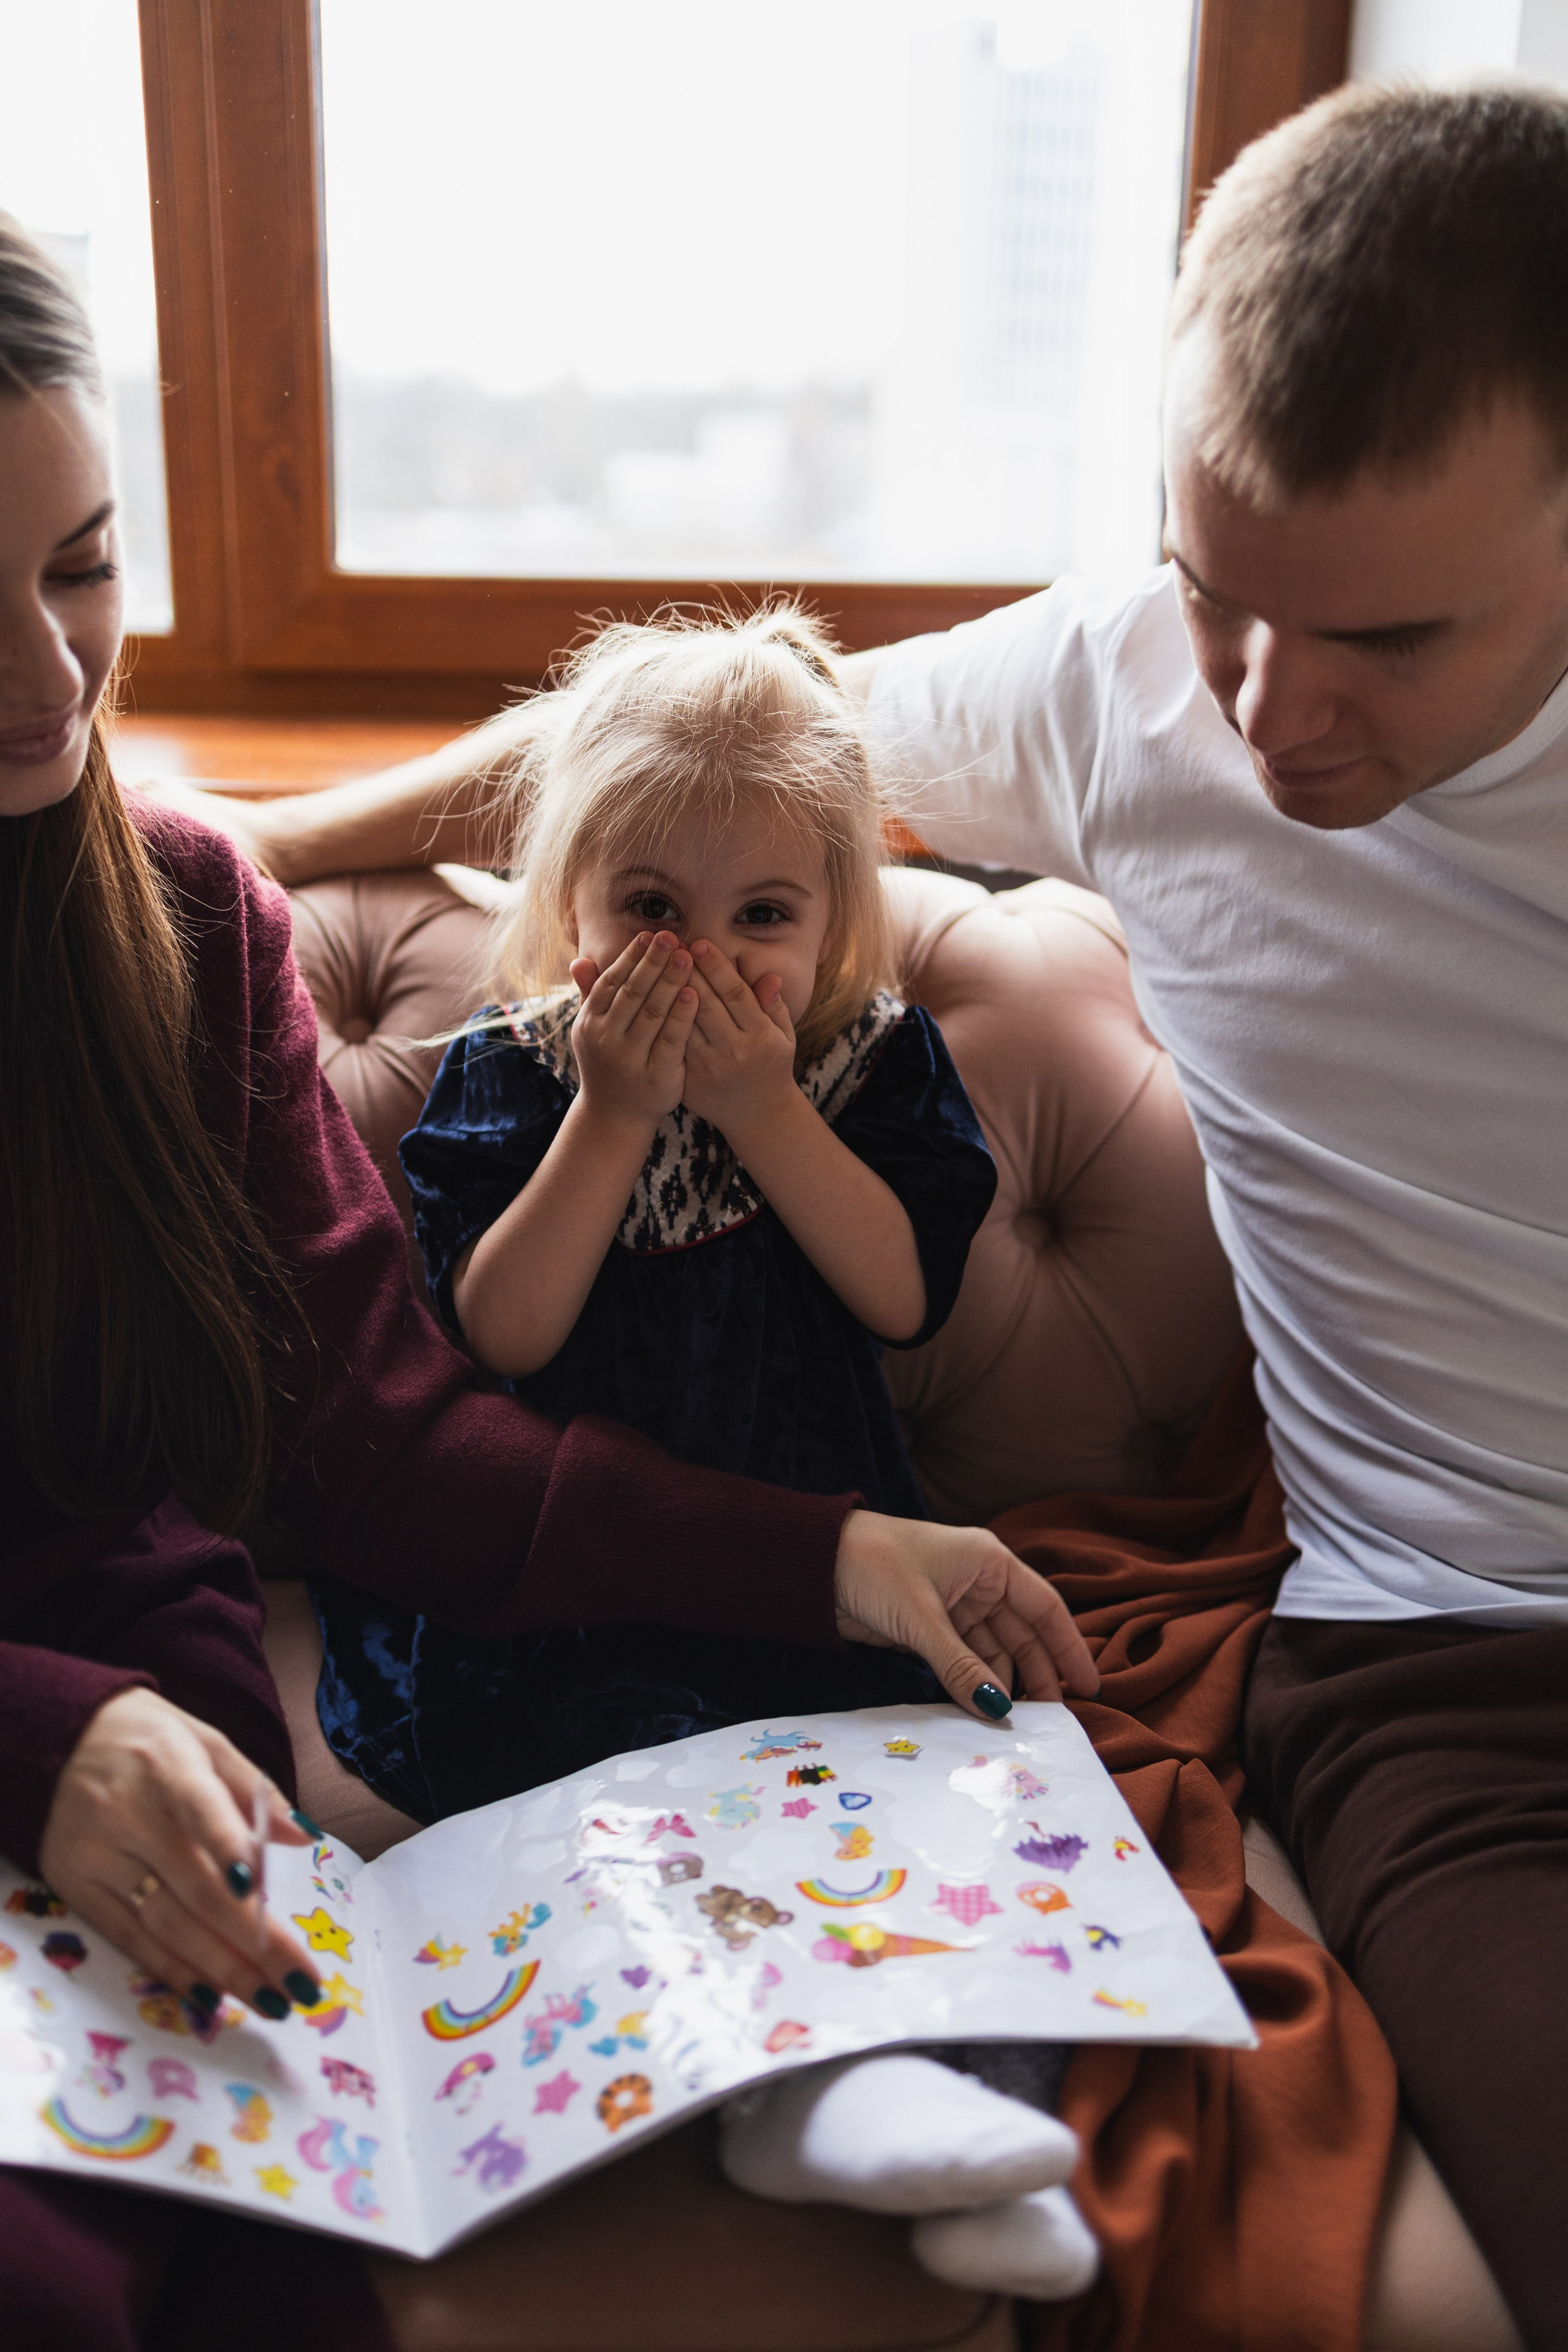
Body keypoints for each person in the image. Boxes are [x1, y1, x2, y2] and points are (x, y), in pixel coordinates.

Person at [182, 81, 1568, 2351]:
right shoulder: (1133, 691)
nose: (1266, 714)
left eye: (1389, 642)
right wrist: (212, 874)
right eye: (1219, 595)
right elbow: (713, 742)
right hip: (1454, 1662)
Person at [0, 217, 1103, 2348]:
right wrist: (40, 1736)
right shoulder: (517, 1066)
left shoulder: (183, 926)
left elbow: (401, 1445)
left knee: (282, 2296)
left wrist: (847, 1555)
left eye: (80, 564)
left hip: (199, 1808)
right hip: (74, 1767)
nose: (58, 683)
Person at [309, 603, 998, 1823]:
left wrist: (764, 1110)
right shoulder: (518, 1068)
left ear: (834, 918)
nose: (707, 959)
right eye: (652, 909)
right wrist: (614, 1115)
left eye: (764, 917)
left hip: (814, 1535)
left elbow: (901, 1300)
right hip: (573, 1561)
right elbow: (502, 1336)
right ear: (566, 902)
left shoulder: (873, 1063)